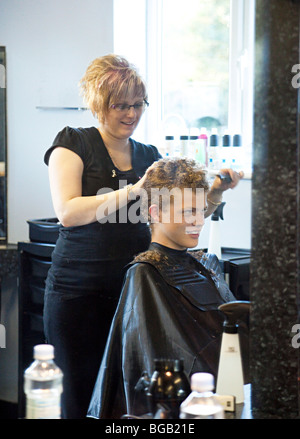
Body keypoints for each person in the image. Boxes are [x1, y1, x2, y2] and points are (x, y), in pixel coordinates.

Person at [43, 54, 243, 419]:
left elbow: (180, 216)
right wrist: (136, 188)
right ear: (97, 103)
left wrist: (216, 192)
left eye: (138, 105)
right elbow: (68, 212)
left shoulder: (148, 155)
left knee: (124, 402)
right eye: (120, 105)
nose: (131, 114)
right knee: (78, 397)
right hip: (78, 296)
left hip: (136, 293)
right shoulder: (73, 144)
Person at [87, 157, 248, 420]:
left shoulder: (203, 264)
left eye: (200, 210)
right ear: (155, 213)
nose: (198, 221)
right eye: (187, 211)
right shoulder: (145, 275)